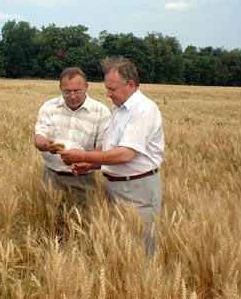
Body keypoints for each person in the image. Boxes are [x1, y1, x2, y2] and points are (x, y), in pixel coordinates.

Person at [59, 57, 164, 254]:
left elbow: (125, 154)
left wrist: (83, 155)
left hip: (137, 188)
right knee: (121, 247)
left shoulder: (143, 109)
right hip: (117, 186)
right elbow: (111, 148)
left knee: (141, 249)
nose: (108, 94)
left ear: (131, 85)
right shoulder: (120, 109)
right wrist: (89, 164)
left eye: (112, 89)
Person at [34, 67, 110, 205]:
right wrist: (46, 145)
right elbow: (39, 137)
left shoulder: (100, 111)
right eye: (67, 92)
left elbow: (104, 146)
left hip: (84, 178)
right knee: (50, 221)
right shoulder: (49, 107)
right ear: (60, 88)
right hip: (52, 176)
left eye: (77, 91)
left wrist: (85, 161)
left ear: (86, 87)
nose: (73, 96)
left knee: (84, 223)